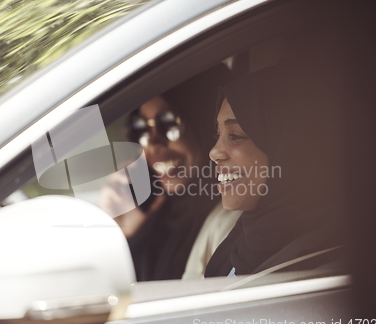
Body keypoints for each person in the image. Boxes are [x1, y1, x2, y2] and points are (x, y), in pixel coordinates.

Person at [205, 61, 348, 277]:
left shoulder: (323, 267)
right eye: (218, 135)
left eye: (235, 136)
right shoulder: (243, 241)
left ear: (293, 150)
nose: (214, 153)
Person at [100, 64, 235, 281]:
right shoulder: (165, 211)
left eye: (168, 124)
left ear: (208, 126)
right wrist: (125, 229)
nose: (152, 144)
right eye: (140, 129)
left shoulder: (229, 223)